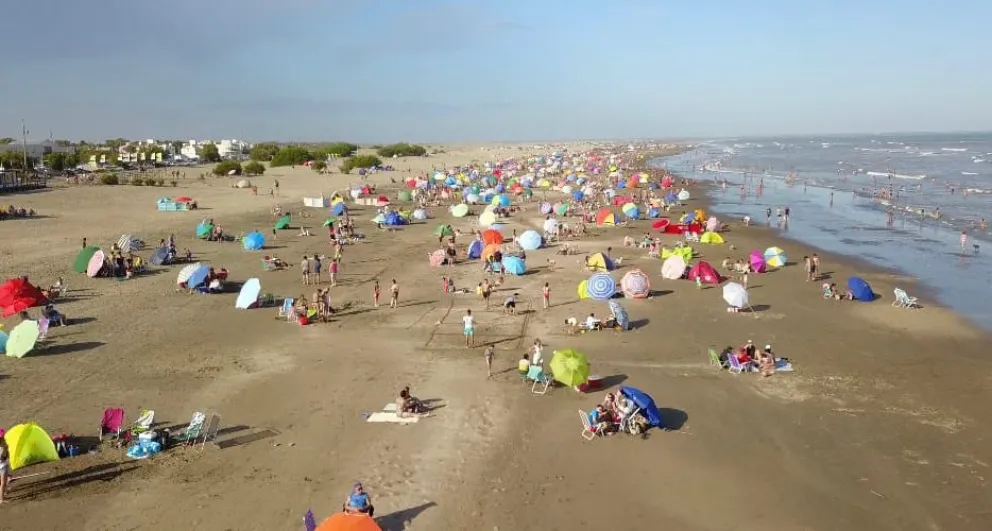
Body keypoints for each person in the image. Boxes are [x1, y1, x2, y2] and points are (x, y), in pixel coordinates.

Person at [0, 436, 9, 506]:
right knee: (3, 483)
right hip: (3, 467)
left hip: (3, 466)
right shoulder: (2, 448)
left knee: (3, 482)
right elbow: (4, 456)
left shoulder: (3, 446)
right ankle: (2, 499)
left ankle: (4, 494)